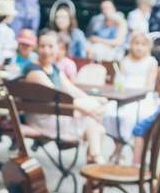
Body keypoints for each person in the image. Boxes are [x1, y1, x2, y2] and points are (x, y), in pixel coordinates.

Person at [24, 29, 107, 163]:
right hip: (42, 118)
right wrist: (88, 108)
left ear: (58, 49)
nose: (46, 51)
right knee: (93, 123)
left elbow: (72, 90)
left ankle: (95, 158)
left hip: (57, 112)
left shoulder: (55, 69)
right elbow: (57, 97)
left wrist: (92, 101)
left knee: (98, 128)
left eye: (50, 46)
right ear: (36, 48)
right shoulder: (34, 72)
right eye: (42, 46)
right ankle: (95, 164)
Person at [103, 32, 159, 154]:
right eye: (136, 43)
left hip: (142, 96)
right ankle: (118, 144)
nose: (139, 47)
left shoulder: (151, 62)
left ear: (148, 46)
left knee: (131, 116)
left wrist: (135, 93)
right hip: (123, 94)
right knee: (109, 112)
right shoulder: (125, 60)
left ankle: (127, 146)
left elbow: (149, 86)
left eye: (143, 44)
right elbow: (119, 80)